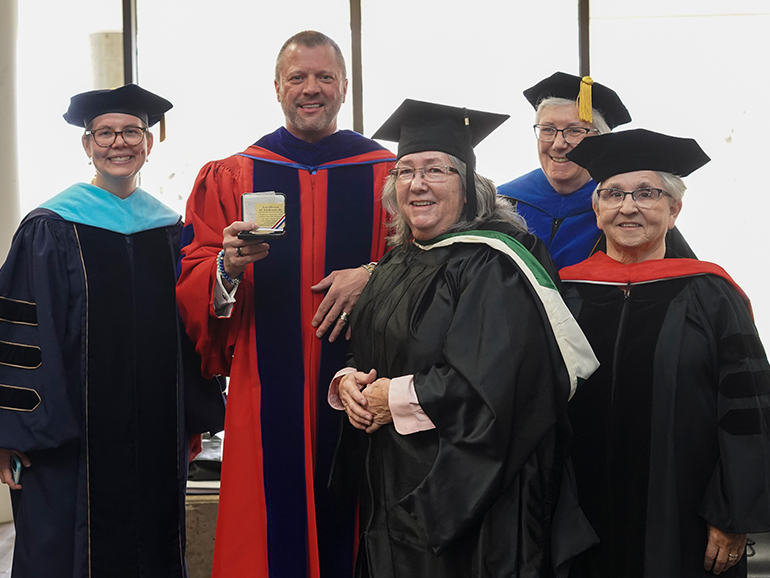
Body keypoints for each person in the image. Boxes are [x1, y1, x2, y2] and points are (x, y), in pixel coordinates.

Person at [330, 99, 600, 577]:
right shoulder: (396, 261)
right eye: (405, 171)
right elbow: (374, 347)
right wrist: (350, 382)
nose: (417, 183)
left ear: (469, 186)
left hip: (468, 497)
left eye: (436, 169)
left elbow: (496, 386)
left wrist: (389, 397)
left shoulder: (493, 265)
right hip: (391, 480)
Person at [176, 30, 395, 578]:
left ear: (345, 87)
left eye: (325, 77)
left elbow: (429, 260)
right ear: (277, 87)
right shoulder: (233, 173)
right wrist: (226, 265)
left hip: (365, 383)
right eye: (298, 77)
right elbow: (192, 275)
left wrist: (372, 274)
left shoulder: (389, 173)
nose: (311, 89)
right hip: (264, 385)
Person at [0, 84, 224, 578]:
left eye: (131, 131)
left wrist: (190, 415)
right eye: (104, 133)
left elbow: (190, 328)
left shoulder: (169, 231)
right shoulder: (49, 227)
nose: (118, 143)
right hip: (68, 444)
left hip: (154, 436)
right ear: (87, 145)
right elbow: (20, 337)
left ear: (148, 142)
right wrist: (13, 433)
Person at [559, 129, 770, 577]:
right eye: (613, 194)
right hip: (578, 517)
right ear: (596, 210)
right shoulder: (567, 293)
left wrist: (730, 514)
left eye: (647, 193)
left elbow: (747, 410)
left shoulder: (712, 296)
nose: (628, 206)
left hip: (685, 518)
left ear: (674, 210)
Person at [497, 71, 694, 268]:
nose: (558, 144)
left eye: (574, 131)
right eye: (547, 129)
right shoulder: (503, 203)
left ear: (601, 141)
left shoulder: (624, 207)